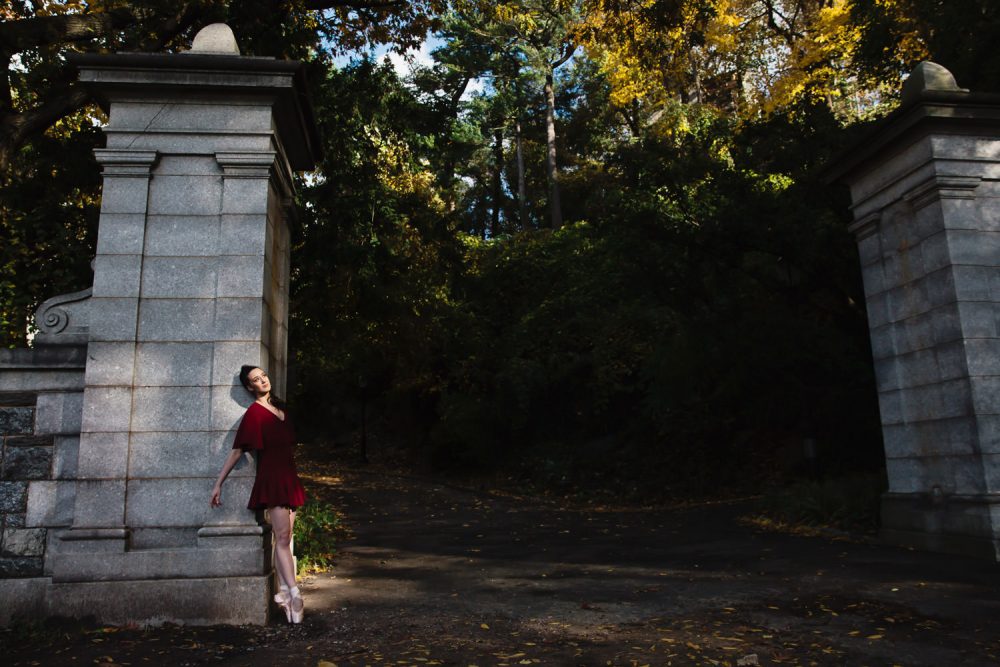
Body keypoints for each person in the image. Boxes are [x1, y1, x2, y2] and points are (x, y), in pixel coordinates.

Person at [210, 365, 306, 623]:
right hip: (272, 478)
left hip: (289, 477)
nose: (262, 380)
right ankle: (294, 594)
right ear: (250, 387)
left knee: (286, 538)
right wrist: (219, 483)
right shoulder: (254, 413)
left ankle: (285, 592)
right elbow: (237, 451)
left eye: (263, 375)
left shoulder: (282, 409)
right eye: (256, 380)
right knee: (283, 537)